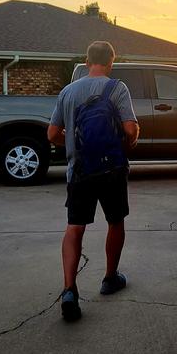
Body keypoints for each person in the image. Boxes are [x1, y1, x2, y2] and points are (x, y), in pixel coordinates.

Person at [47, 41, 139, 321]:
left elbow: (51, 134)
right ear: (111, 62)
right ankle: (110, 278)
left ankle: (69, 290)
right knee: (115, 222)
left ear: (87, 62)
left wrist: (75, 144)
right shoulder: (118, 88)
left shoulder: (68, 91)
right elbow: (130, 129)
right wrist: (130, 140)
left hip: (80, 171)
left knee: (75, 228)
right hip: (111, 170)